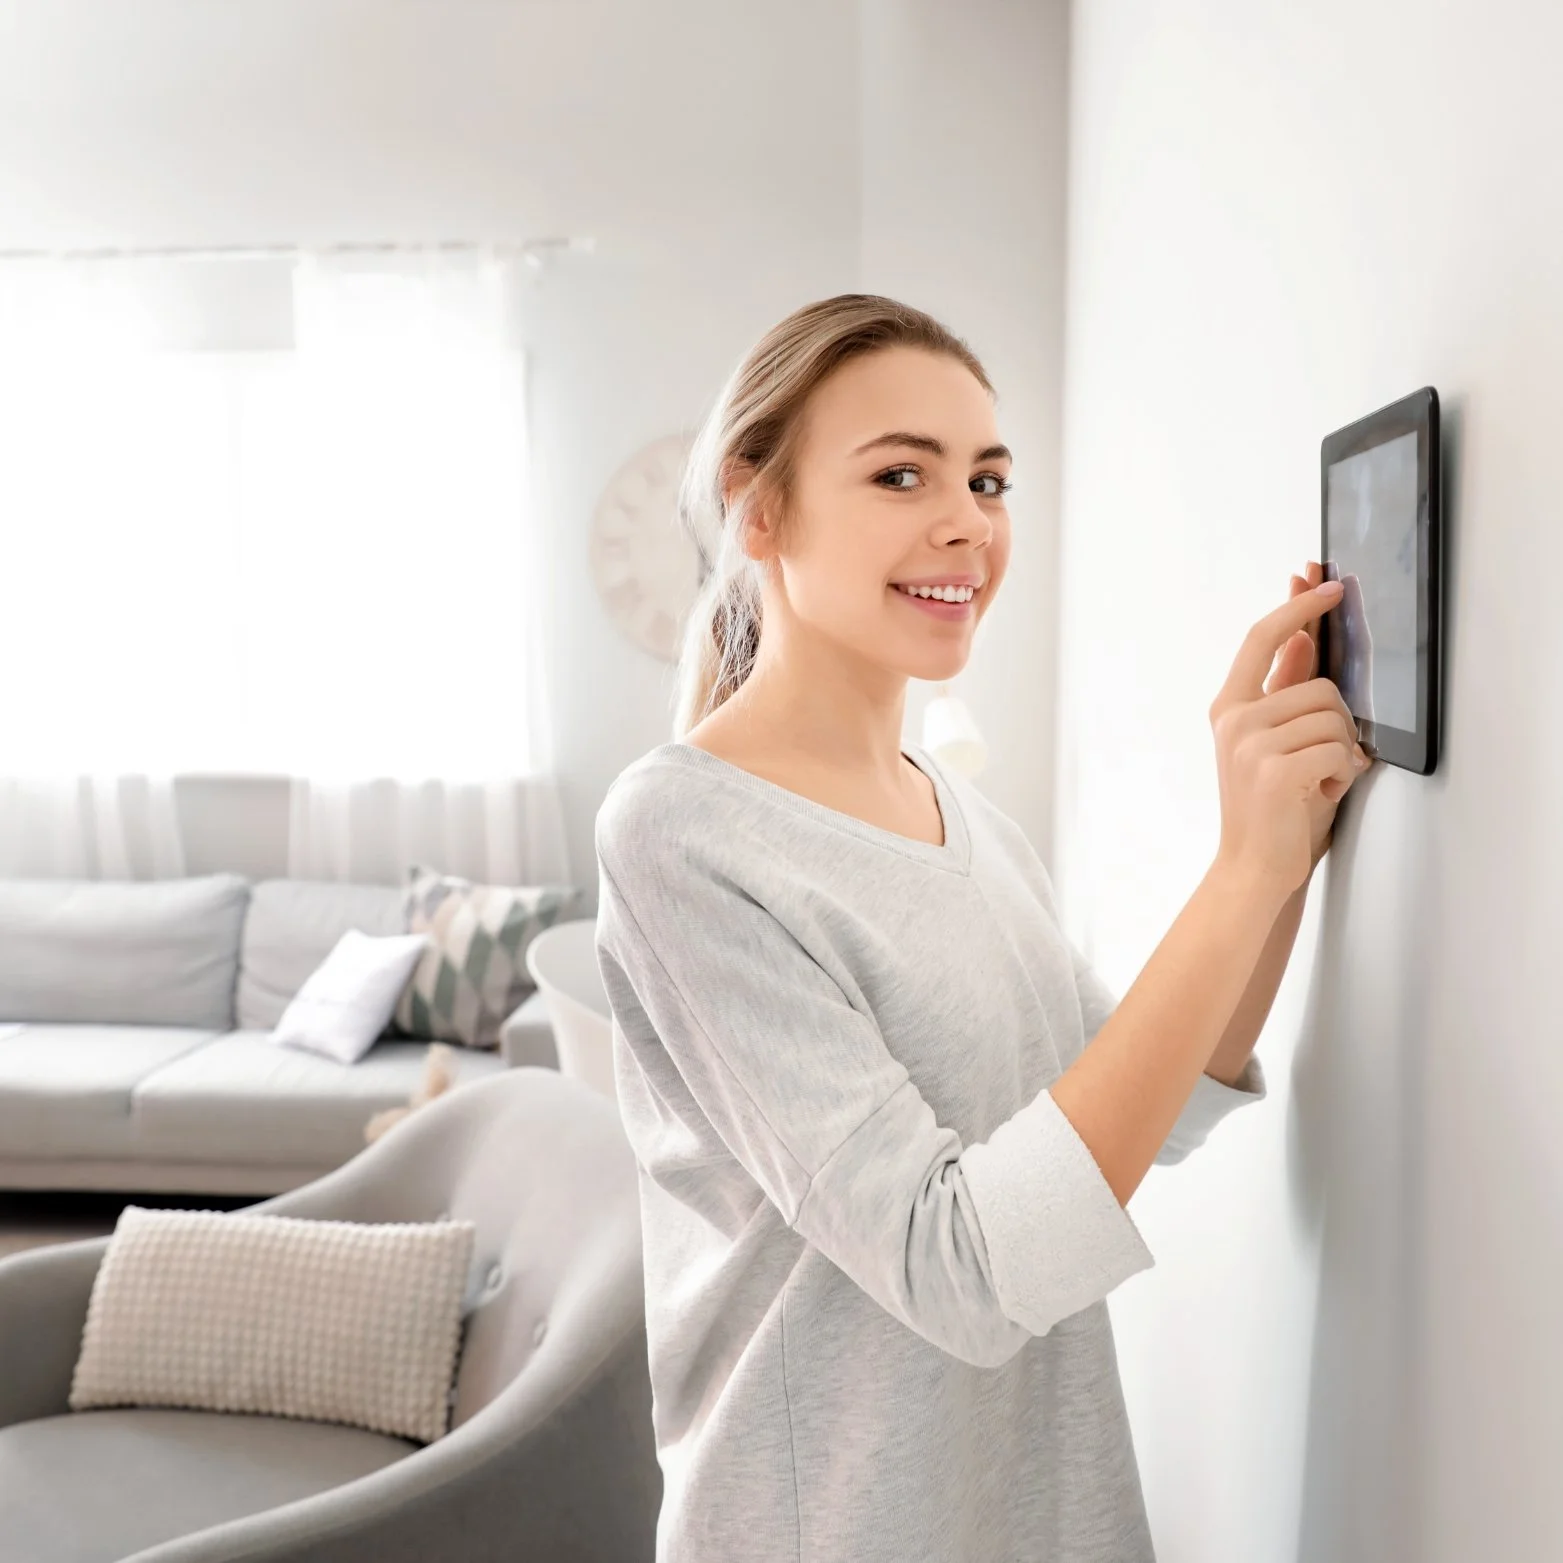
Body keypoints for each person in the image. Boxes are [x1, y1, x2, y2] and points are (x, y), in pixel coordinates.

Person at [592, 294, 1370, 1562]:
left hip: (1050, 1517)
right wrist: (1239, 872)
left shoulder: (963, 816)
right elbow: (963, 1265)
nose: (967, 522)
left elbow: (1156, 1099)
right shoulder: (682, 834)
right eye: (902, 473)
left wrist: (1281, 845)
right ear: (759, 506)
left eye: (989, 479)